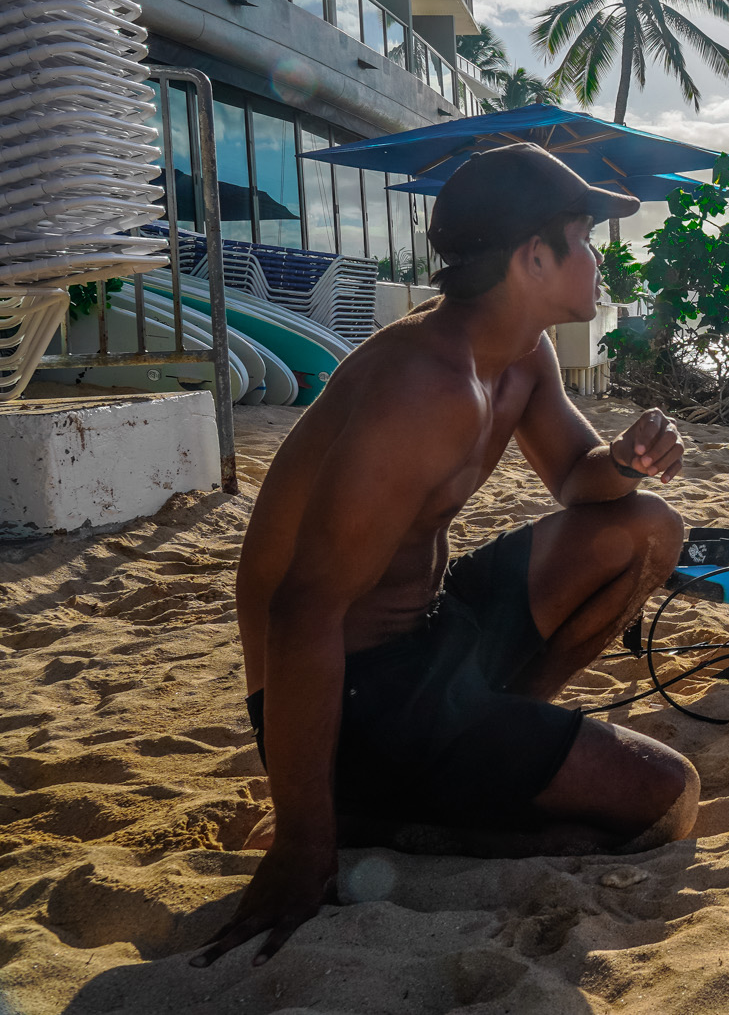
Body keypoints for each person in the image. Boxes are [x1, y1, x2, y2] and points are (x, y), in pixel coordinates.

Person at [194, 143, 697, 969]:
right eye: (584, 234)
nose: (598, 254)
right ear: (535, 255)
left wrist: (628, 464)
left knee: (648, 528)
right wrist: (302, 841)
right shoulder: (421, 386)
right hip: (354, 695)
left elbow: (578, 477)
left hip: (433, 633)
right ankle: (380, 811)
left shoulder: (522, 353)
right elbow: (303, 608)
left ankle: (499, 740)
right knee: (665, 797)